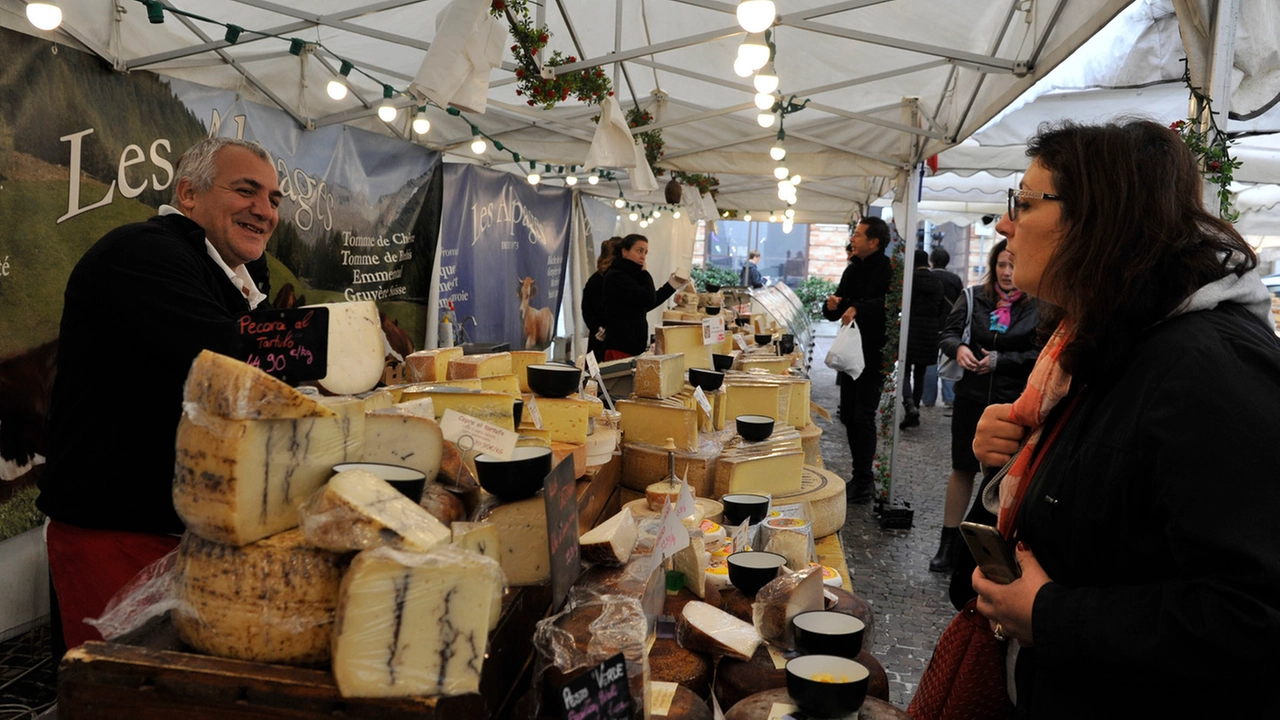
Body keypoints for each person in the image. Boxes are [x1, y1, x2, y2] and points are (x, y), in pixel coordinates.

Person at [968, 120, 1280, 715]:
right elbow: (1115, 505)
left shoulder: (1208, 367)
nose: (1007, 226)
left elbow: (1255, 614)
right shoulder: (1108, 340)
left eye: (1025, 203)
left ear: (1095, 219)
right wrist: (1024, 449)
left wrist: (1051, 615)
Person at [38, 137, 282, 652]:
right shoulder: (142, 252)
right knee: (122, 692)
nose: (264, 211)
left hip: (181, 531)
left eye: (274, 199)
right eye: (247, 191)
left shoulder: (230, 272)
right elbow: (231, 360)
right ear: (188, 194)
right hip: (115, 531)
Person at [927, 239, 1038, 574]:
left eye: (1013, 265)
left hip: (1012, 404)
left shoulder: (1040, 306)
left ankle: (991, 552)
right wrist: (958, 348)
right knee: (962, 468)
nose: (1007, 272)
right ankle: (947, 546)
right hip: (971, 398)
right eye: (1002, 265)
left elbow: (1042, 352)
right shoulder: (974, 296)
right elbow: (946, 333)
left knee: (1006, 479)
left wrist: (1002, 360)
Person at [822, 217, 892, 503]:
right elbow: (839, 308)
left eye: (858, 234)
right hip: (850, 354)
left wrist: (857, 308)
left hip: (874, 355)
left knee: (863, 416)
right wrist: (831, 306)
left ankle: (865, 481)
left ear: (874, 242)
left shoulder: (888, 269)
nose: (853, 238)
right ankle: (859, 475)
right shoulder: (853, 269)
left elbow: (887, 305)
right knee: (849, 415)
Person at [600, 234, 685, 360]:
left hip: (632, 347)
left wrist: (671, 286)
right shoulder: (617, 276)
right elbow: (648, 299)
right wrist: (645, 272)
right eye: (639, 251)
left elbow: (644, 305)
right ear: (625, 251)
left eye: (645, 252)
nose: (643, 257)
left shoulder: (631, 275)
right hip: (620, 347)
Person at [900, 249, 948, 429]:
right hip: (929, 331)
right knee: (919, 373)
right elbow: (941, 307)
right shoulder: (936, 281)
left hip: (910, 329)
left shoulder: (909, 280)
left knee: (904, 370)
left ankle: (909, 405)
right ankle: (915, 410)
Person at [922, 246, 964, 408]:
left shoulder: (928, 277)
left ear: (931, 261)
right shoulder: (954, 279)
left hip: (930, 325)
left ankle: (928, 399)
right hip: (950, 326)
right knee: (949, 361)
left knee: (930, 364)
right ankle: (949, 398)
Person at [582, 236, 620, 361]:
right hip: (606, 339)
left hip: (597, 335)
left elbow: (586, 309)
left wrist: (596, 328)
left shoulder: (595, 279)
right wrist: (599, 328)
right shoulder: (612, 279)